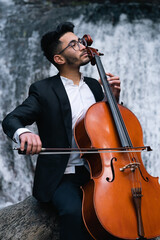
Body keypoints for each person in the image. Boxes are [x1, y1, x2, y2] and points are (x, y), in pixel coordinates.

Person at [2, 22, 120, 240]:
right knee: (75, 212)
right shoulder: (44, 90)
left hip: (101, 171)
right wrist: (24, 133)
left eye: (81, 41)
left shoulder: (96, 86)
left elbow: (110, 129)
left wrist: (113, 101)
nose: (83, 46)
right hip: (64, 176)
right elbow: (12, 119)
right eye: (74, 44)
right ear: (59, 59)